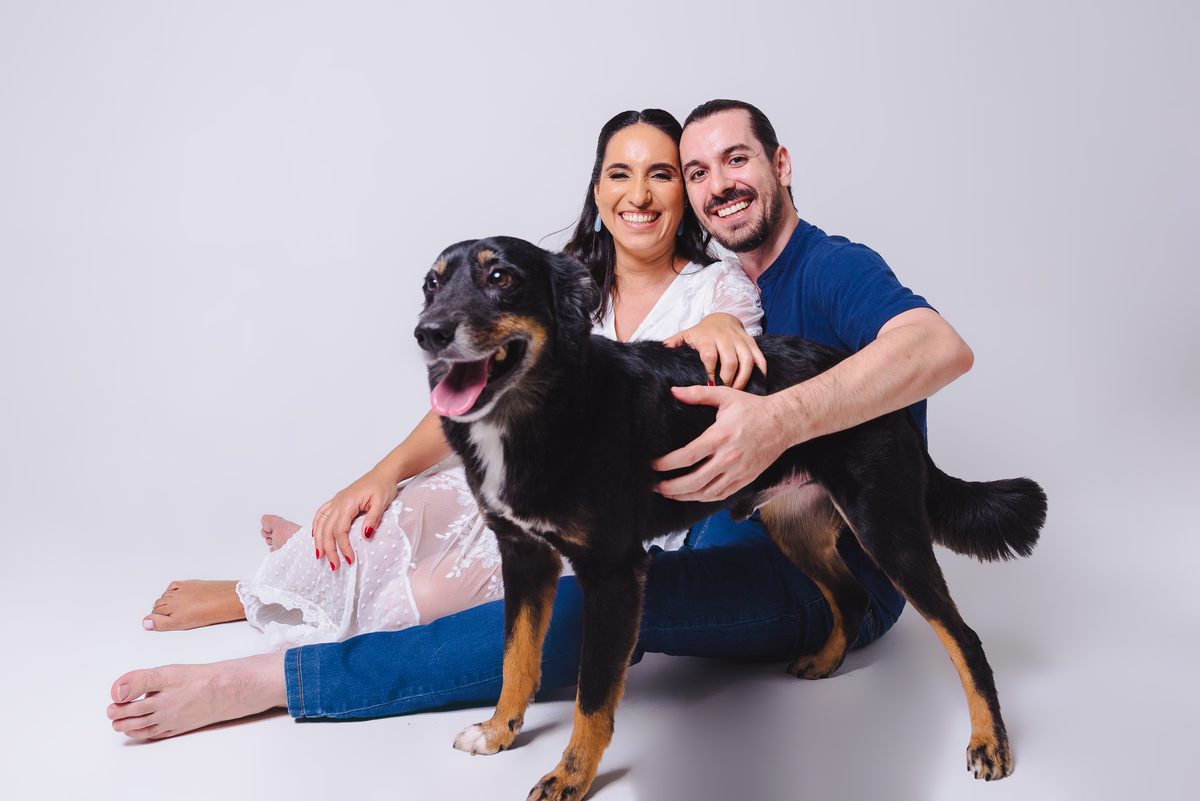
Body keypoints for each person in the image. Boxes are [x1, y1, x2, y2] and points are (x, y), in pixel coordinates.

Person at [108, 100, 973, 740]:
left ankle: (282, 677)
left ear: (780, 164)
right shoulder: (568, 288)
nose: (709, 186)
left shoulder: (787, 278)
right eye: (693, 170)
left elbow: (936, 346)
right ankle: (279, 586)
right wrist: (383, 473)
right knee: (422, 510)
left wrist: (772, 416)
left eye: (715, 165)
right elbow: (484, 400)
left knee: (581, 595)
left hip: (762, 536)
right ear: (598, 190)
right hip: (664, 498)